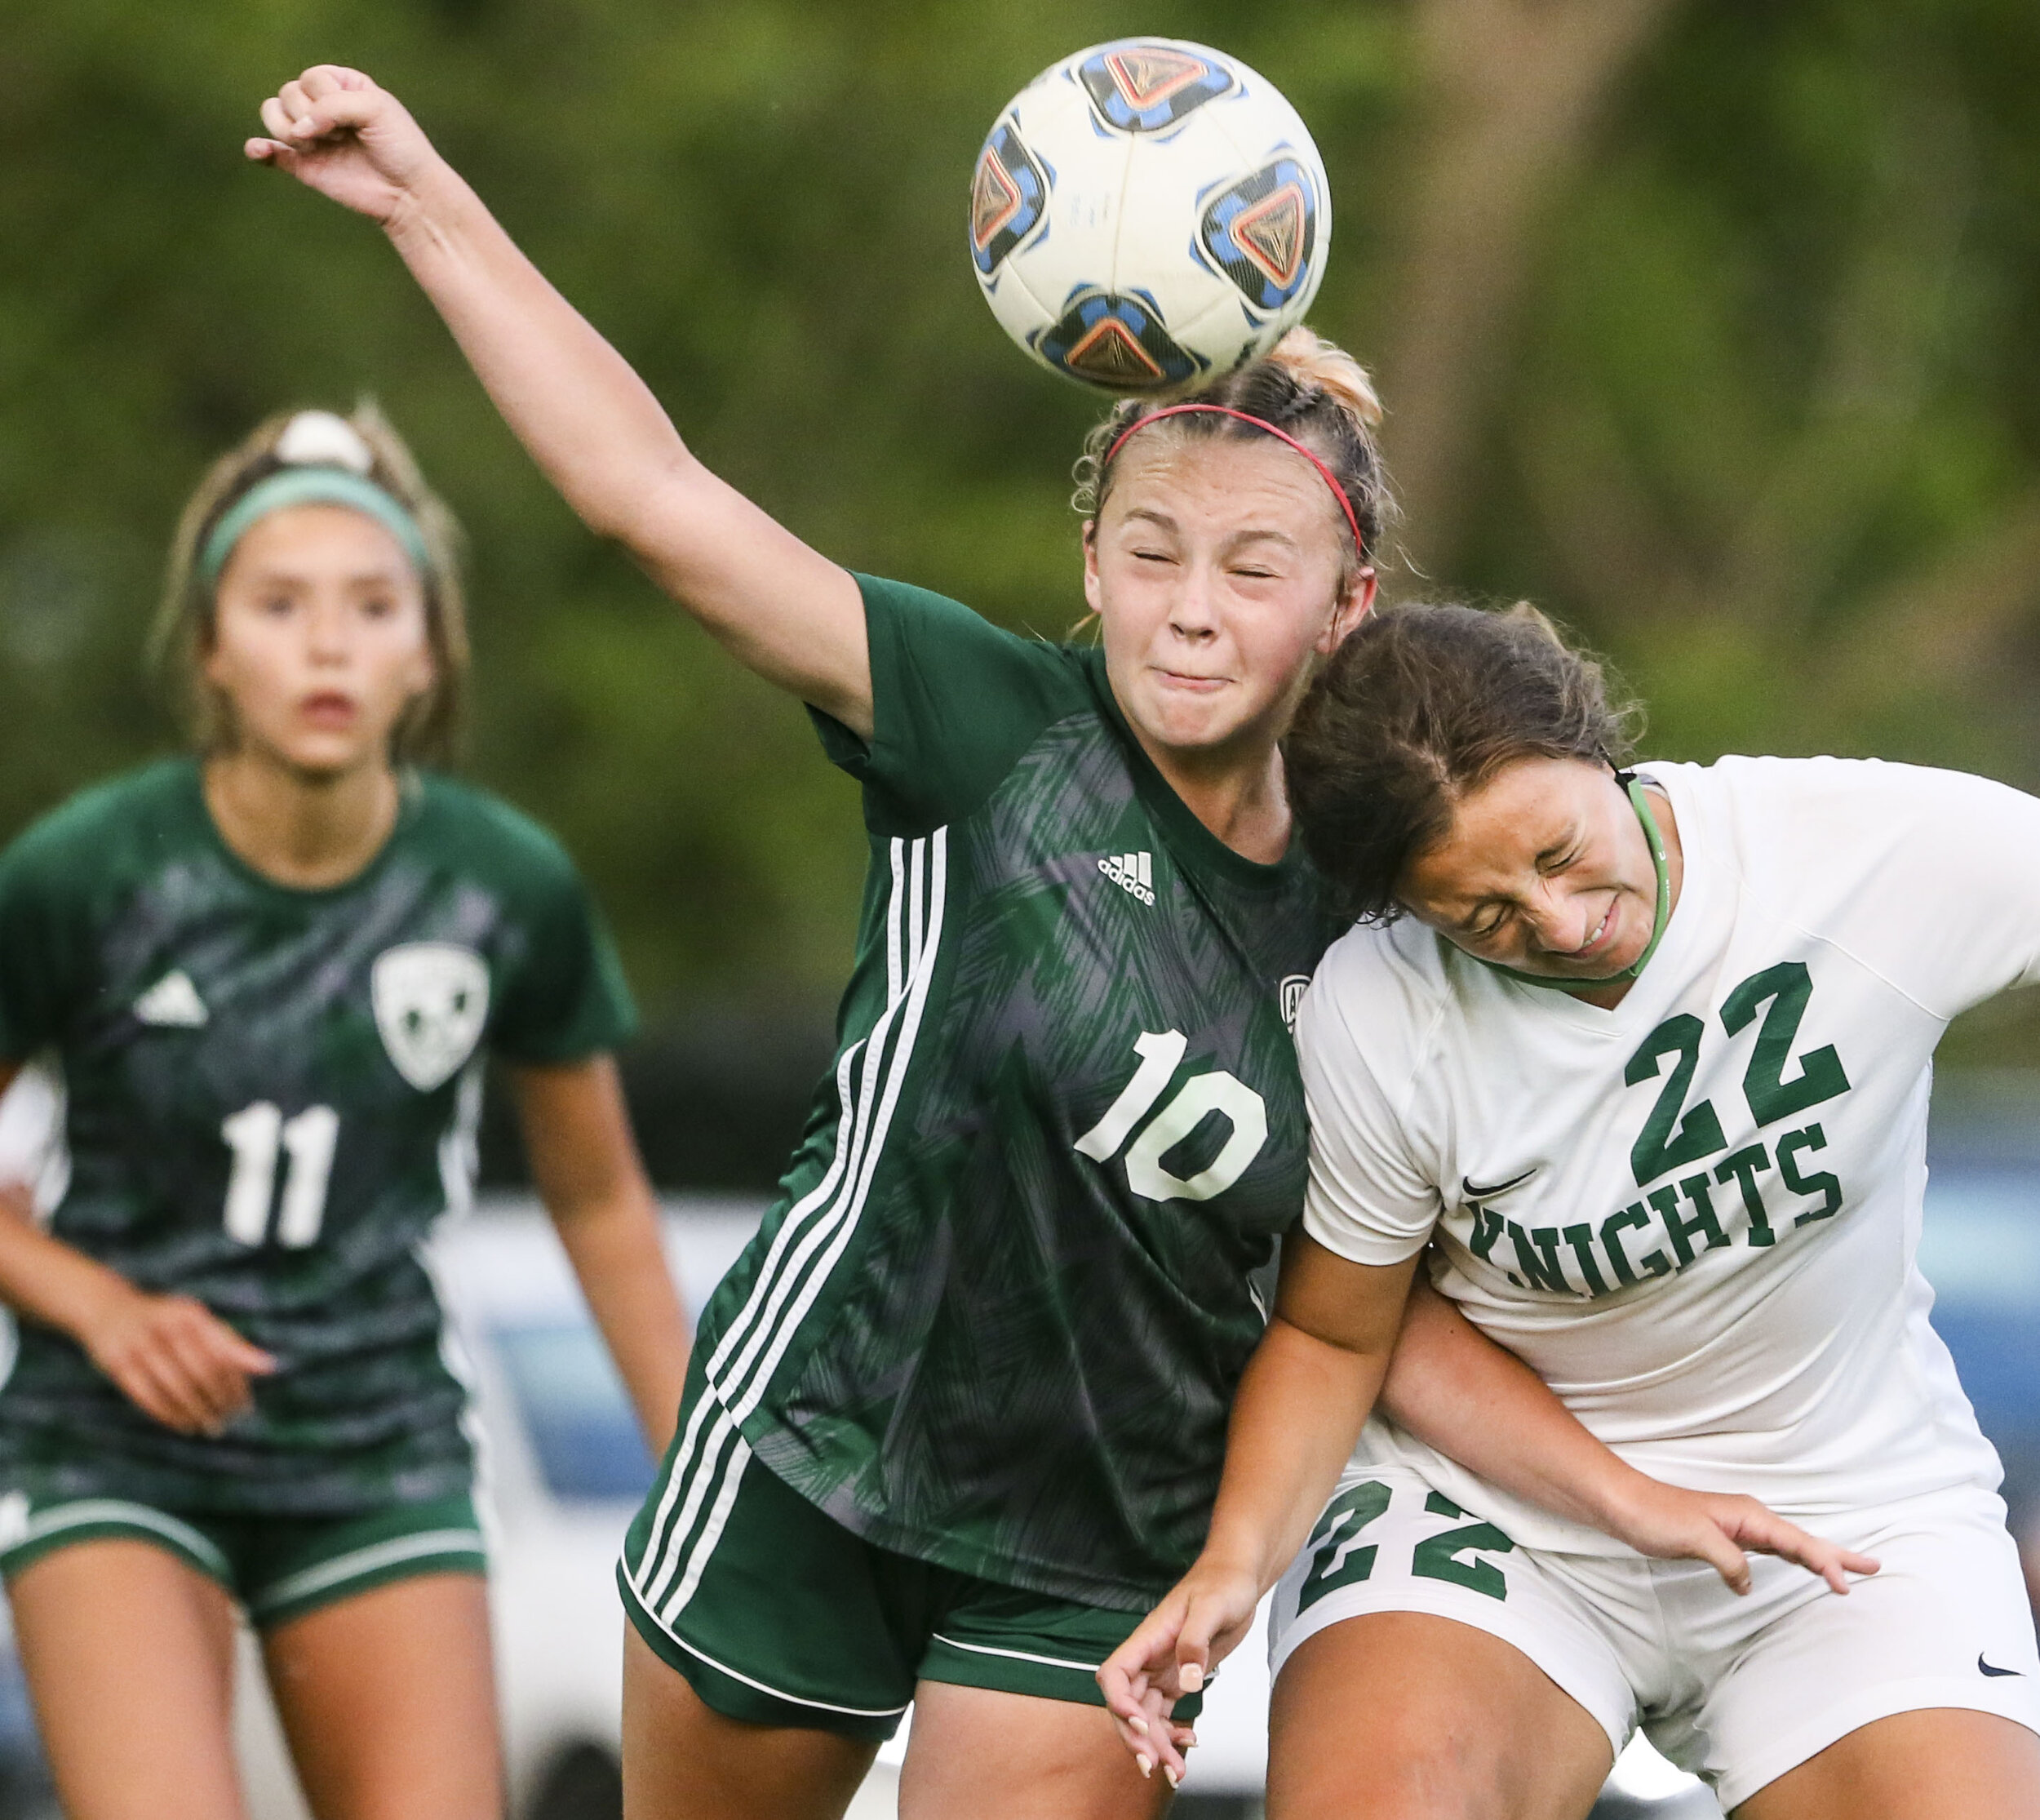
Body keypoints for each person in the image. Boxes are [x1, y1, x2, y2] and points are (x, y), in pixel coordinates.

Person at [242, 69, 1865, 1820]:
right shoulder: (980, 723)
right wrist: (422, 197)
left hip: (1103, 1543)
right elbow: (651, 494)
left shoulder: (1386, 903)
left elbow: (1362, 1313)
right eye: (1150, 549)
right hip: (816, 1449)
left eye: (1253, 568)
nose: (1190, 603)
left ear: (1346, 605)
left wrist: (1624, 1489)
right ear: (1086, 560)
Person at [1102, 598, 2040, 1818]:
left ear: (1593, 739)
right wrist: (1237, 1564)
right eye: (1480, 916)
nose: (1553, 922)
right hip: (1489, 1514)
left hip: (1843, 1511)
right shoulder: (1379, 1008)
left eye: (1555, 852)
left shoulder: (1865, 851)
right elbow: (1342, 1333)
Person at [0, 403, 691, 1820]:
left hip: (374, 1438)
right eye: (280, 604)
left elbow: (601, 1200)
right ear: (210, 646)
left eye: (373, 606)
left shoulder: (505, 886)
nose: (328, 643)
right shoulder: (87, 874)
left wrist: (697, 1468)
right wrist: (100, 1305)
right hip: (116, 1442)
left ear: (427, 651)